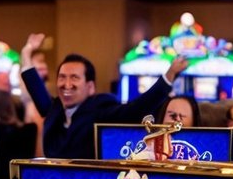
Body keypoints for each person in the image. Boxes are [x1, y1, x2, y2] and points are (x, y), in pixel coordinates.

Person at [21, 36, 188, 159]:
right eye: (62, 77)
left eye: (74, 78)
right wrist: (27, 51)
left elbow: (137, 109)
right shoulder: (55, 109)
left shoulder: (101, 109)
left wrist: (170, 74)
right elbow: (36, 88)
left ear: (90, 86)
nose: (66, 84)